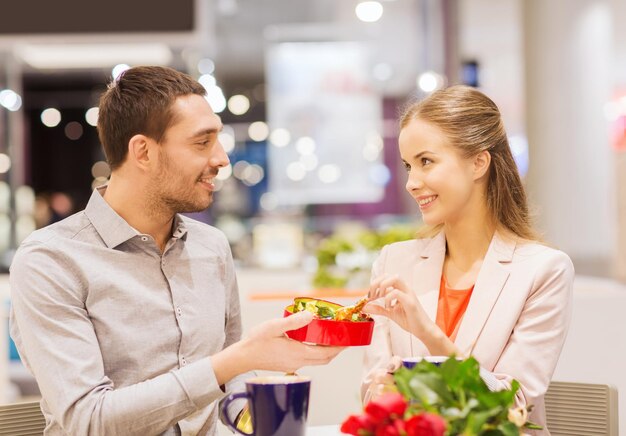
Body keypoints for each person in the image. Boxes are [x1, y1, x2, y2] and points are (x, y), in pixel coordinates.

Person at [9, 66, 343, 436]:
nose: (221, 159)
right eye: (202, 142)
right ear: (143, 152)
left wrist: (256, 420)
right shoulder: (51, 261)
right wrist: (236, 359)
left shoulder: (211, 247)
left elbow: (232, 381)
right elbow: (89, 421)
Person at [361, 85, 574, 433]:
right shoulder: (393, 263)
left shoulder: (543, 270)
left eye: (426, 161)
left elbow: (511, 407)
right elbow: (373, 393)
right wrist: (380, 390)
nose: (411, 183)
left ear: (479, 162)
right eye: (407, 166)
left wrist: (429, 335)